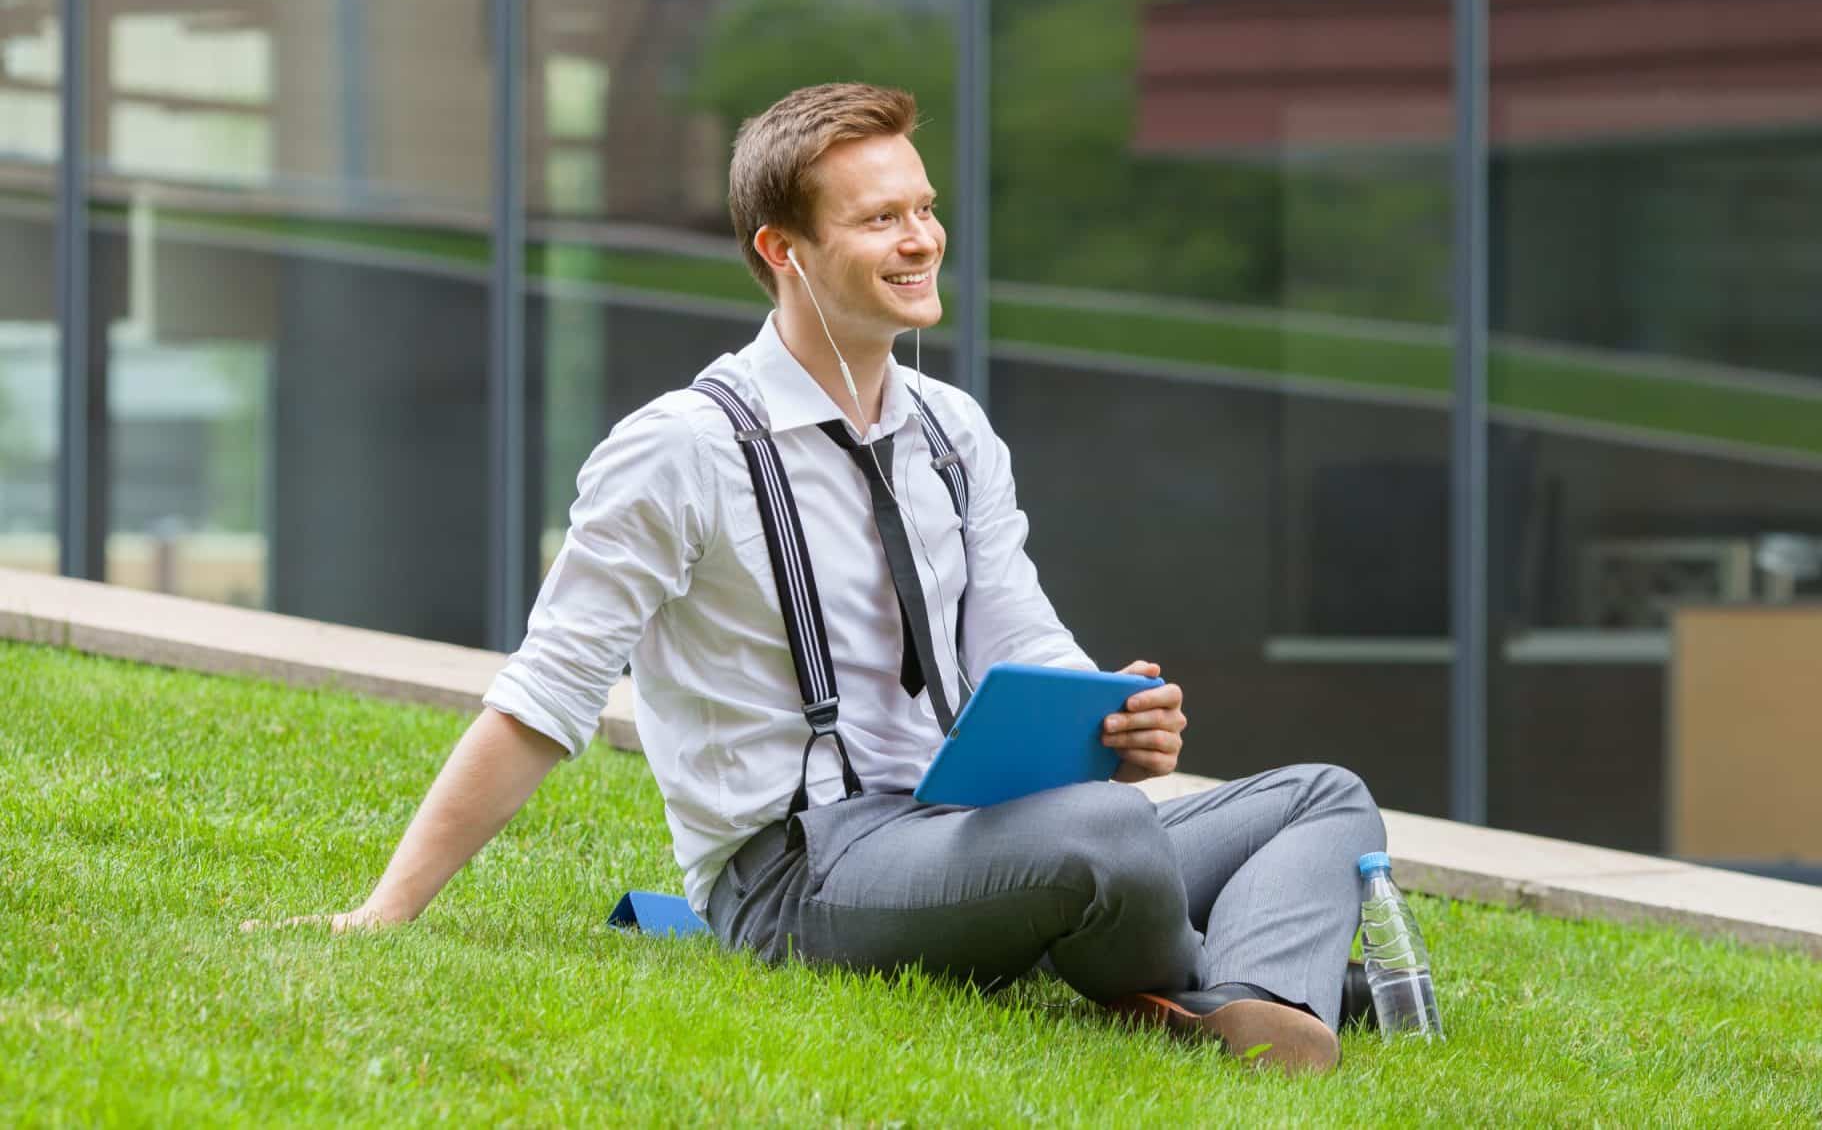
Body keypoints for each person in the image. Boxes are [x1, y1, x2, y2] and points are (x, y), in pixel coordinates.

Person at [257, 82, 1388, 1073]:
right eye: (880, 218)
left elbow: (1020, 637)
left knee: (1323, 794)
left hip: (970, 822)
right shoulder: (682, 448)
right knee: (1107, 837)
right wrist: (384, 910)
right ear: (780, 251)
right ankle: (1238, 977)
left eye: (925, 208)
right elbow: (543, 695)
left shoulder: (952, 431)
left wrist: (1112, 713)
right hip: (800, 874)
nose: (920, 239)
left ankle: (1259, 1009)